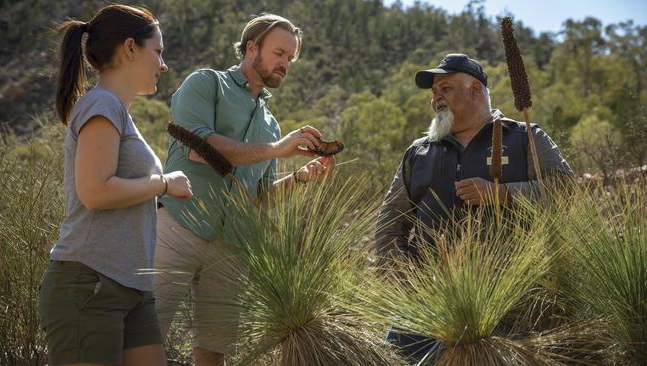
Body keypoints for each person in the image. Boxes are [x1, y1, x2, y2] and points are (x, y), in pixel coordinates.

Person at [153, 13, 334, 366]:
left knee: (214, 351)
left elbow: (260, 199)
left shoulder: (271, 124)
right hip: (178, 227)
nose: (285, 63)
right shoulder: (206, 84)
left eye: (290, 58)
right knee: (145, 334)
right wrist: (277, 149)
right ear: (252, 47)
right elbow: (198, 146)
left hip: (233, 247)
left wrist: (301, 177)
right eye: (279, 53)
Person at [375, 53, 573, 363]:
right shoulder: (420, 152)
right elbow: (390, 218)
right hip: (429, 297)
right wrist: (399, 271)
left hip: (511, 302)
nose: (436, 98)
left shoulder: (524, 137)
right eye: (434, 92)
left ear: (476, 90)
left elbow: (567, 193)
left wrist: (503, 194)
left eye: (446, 88)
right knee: (390, 359)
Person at [37, 4, 192, 366]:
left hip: (132, 288)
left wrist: (162, 196)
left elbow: (119, 192)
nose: (163, 64)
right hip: (89, 283)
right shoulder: (101, 104)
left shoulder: (117, 111)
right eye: (158, 51)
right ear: (129, 49)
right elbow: (95, 192)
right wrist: (164, 185)